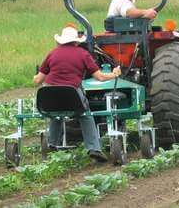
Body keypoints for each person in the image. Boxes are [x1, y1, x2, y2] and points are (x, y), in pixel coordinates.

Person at [33, 23, 121, 162]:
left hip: (48, 95)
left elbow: (38, 80)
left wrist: (35, 76)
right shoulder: (83, 54)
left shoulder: (52, 54)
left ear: (60, 41)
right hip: (71, 93)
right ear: (76, 41)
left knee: (56, 115)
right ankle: (93, 148)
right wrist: (114, 74)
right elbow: (100, 77)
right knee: (86, 115)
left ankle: (52, 144)